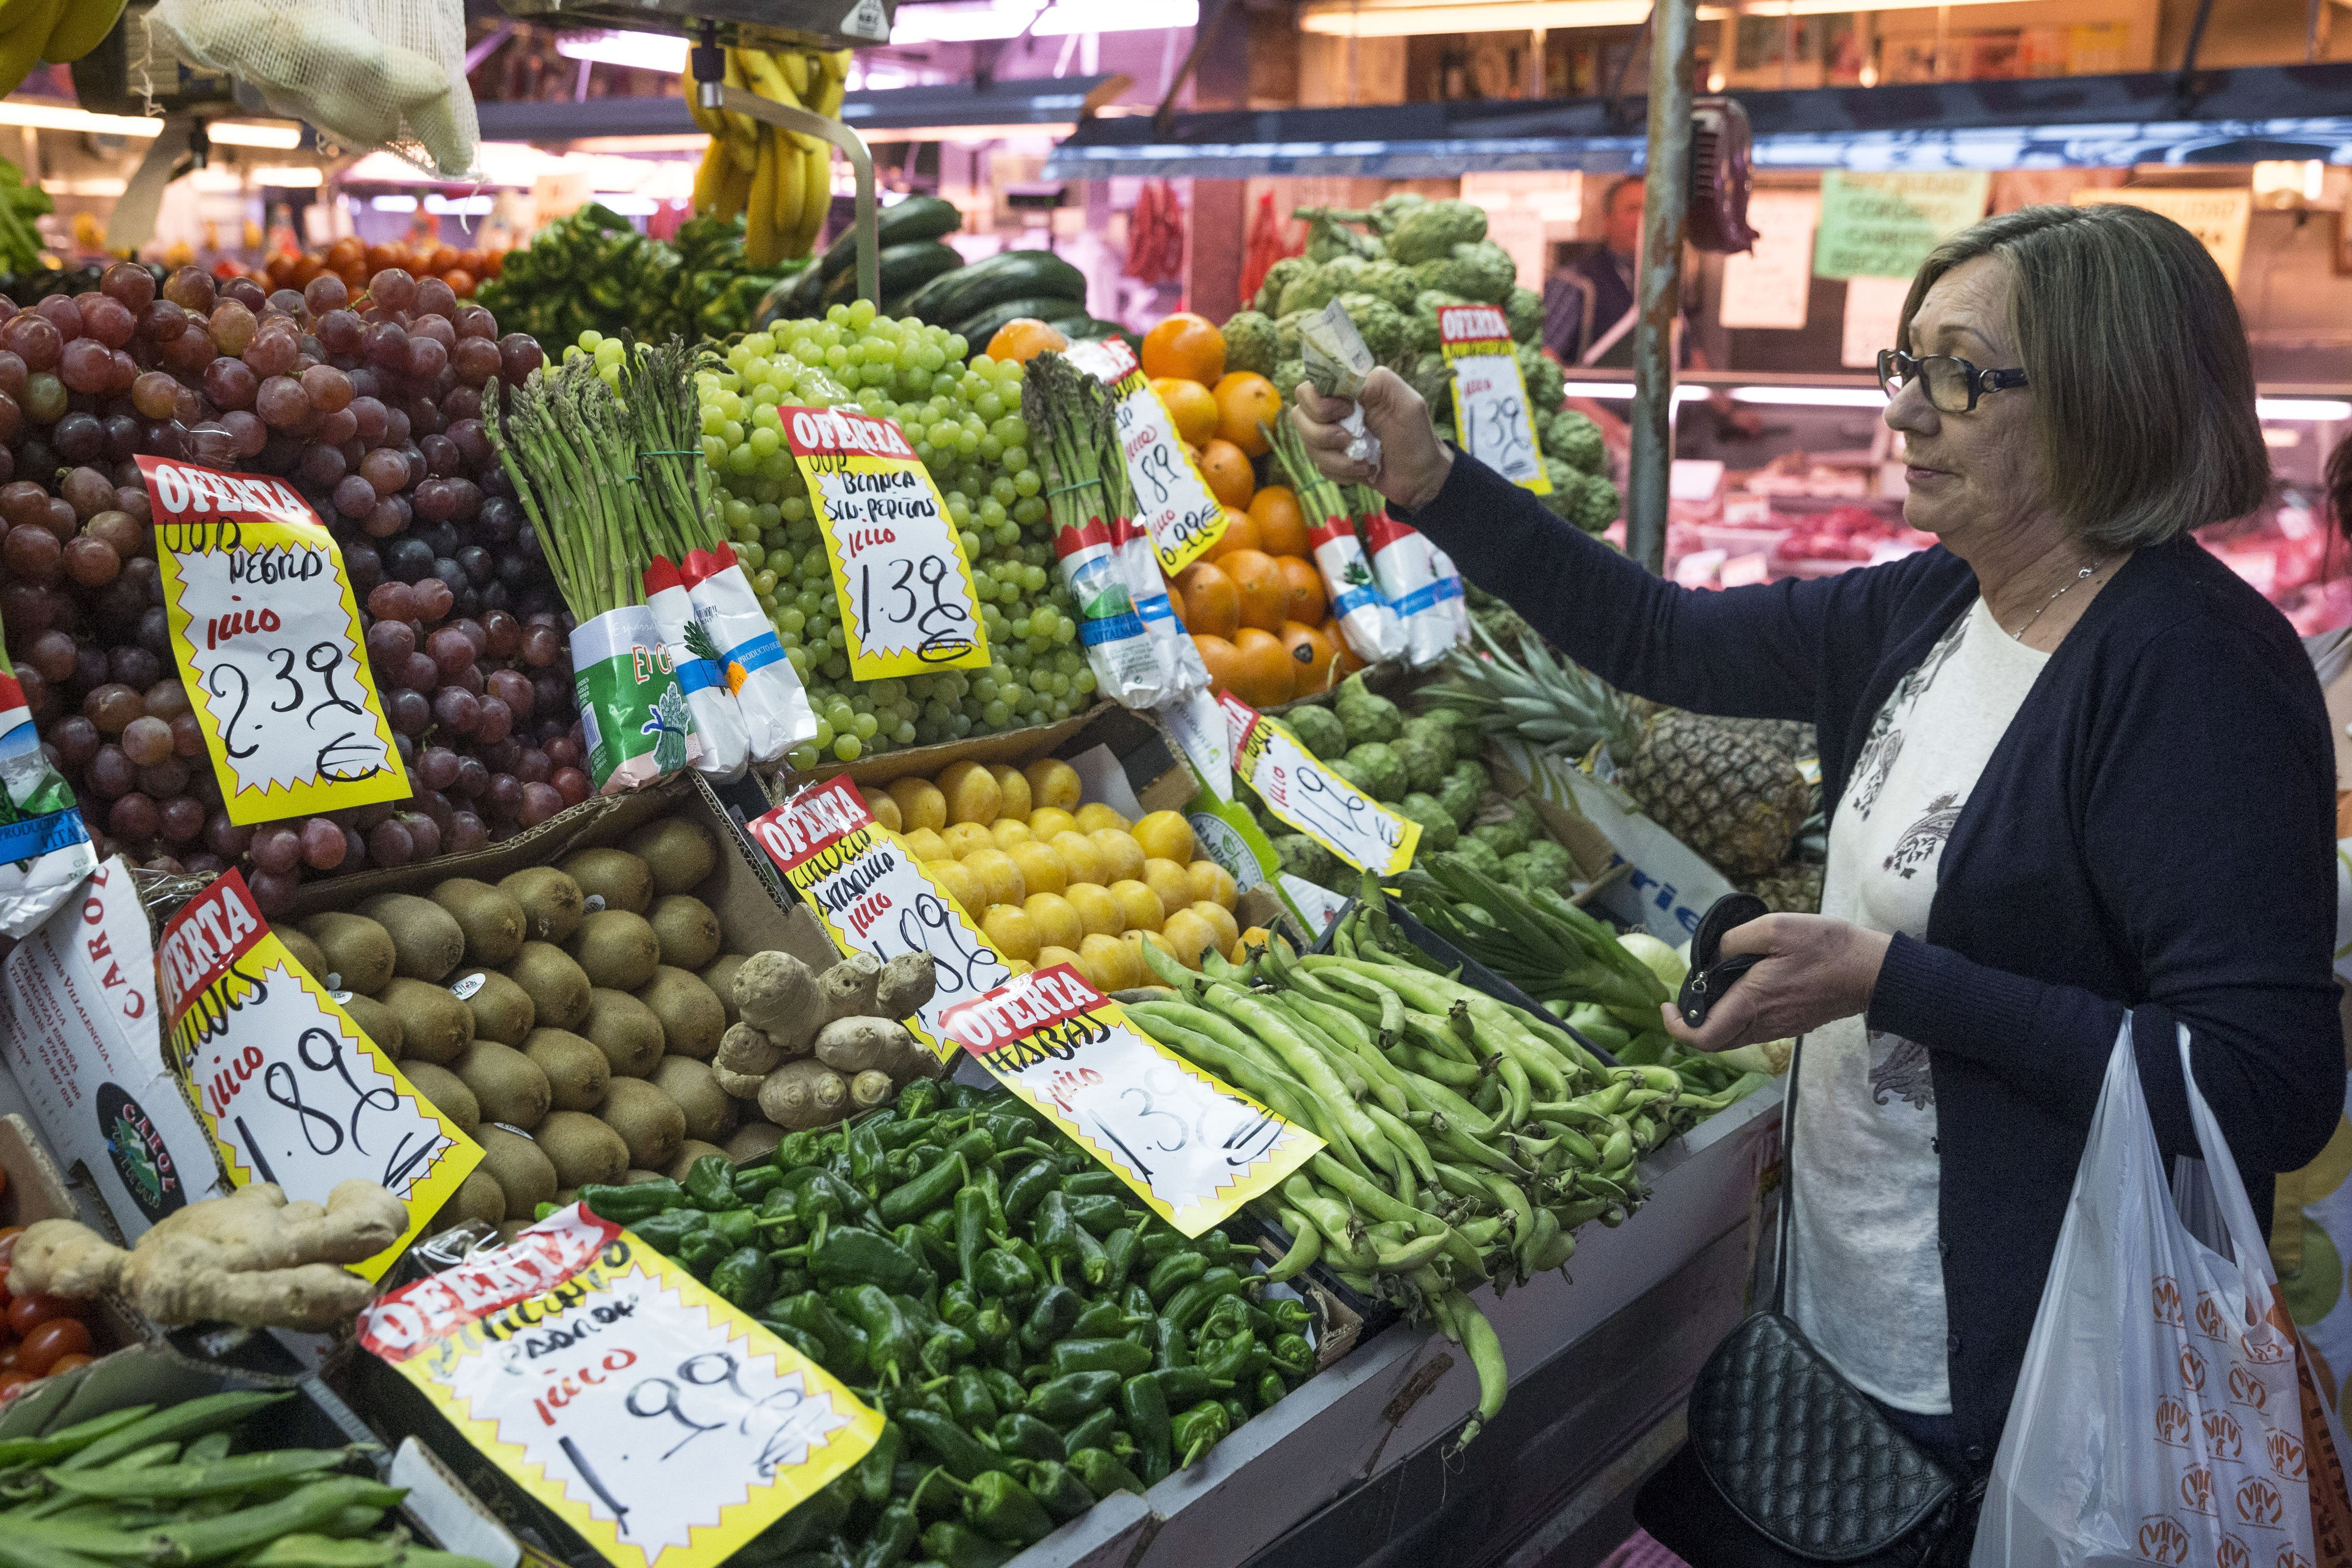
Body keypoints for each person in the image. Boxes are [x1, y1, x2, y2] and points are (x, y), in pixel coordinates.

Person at [1292, 202, 2341, 1499]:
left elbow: (2264, 1086)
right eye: (1905, 366)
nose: (1903, 413)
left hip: (2040, 1372)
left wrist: (1885, 980)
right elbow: (1659, 640)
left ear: (2101, 401)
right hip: (1858, 1304)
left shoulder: (2193, 672)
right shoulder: (1939, 602)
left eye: (1955, 373)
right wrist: (1435, 484)